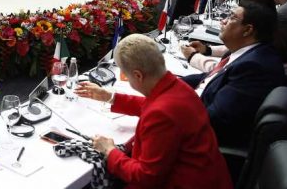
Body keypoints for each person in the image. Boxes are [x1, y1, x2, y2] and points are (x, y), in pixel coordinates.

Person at [75, 34, 232, 189]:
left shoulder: (161, 114)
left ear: (137, 75)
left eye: (126, 75)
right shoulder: (180, 88)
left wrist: (109, 151)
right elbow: (154, 104)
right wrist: (110, 97)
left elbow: (145, 177)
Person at [182, 0, 287, 147]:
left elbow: (214, 119)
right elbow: (208, 78)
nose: (223, 21)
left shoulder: (254, 67)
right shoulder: (247, 52)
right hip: (196, 111)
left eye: (231, 17)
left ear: (247, 30)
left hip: (202, 142)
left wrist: (171, 110)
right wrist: (166, 82)